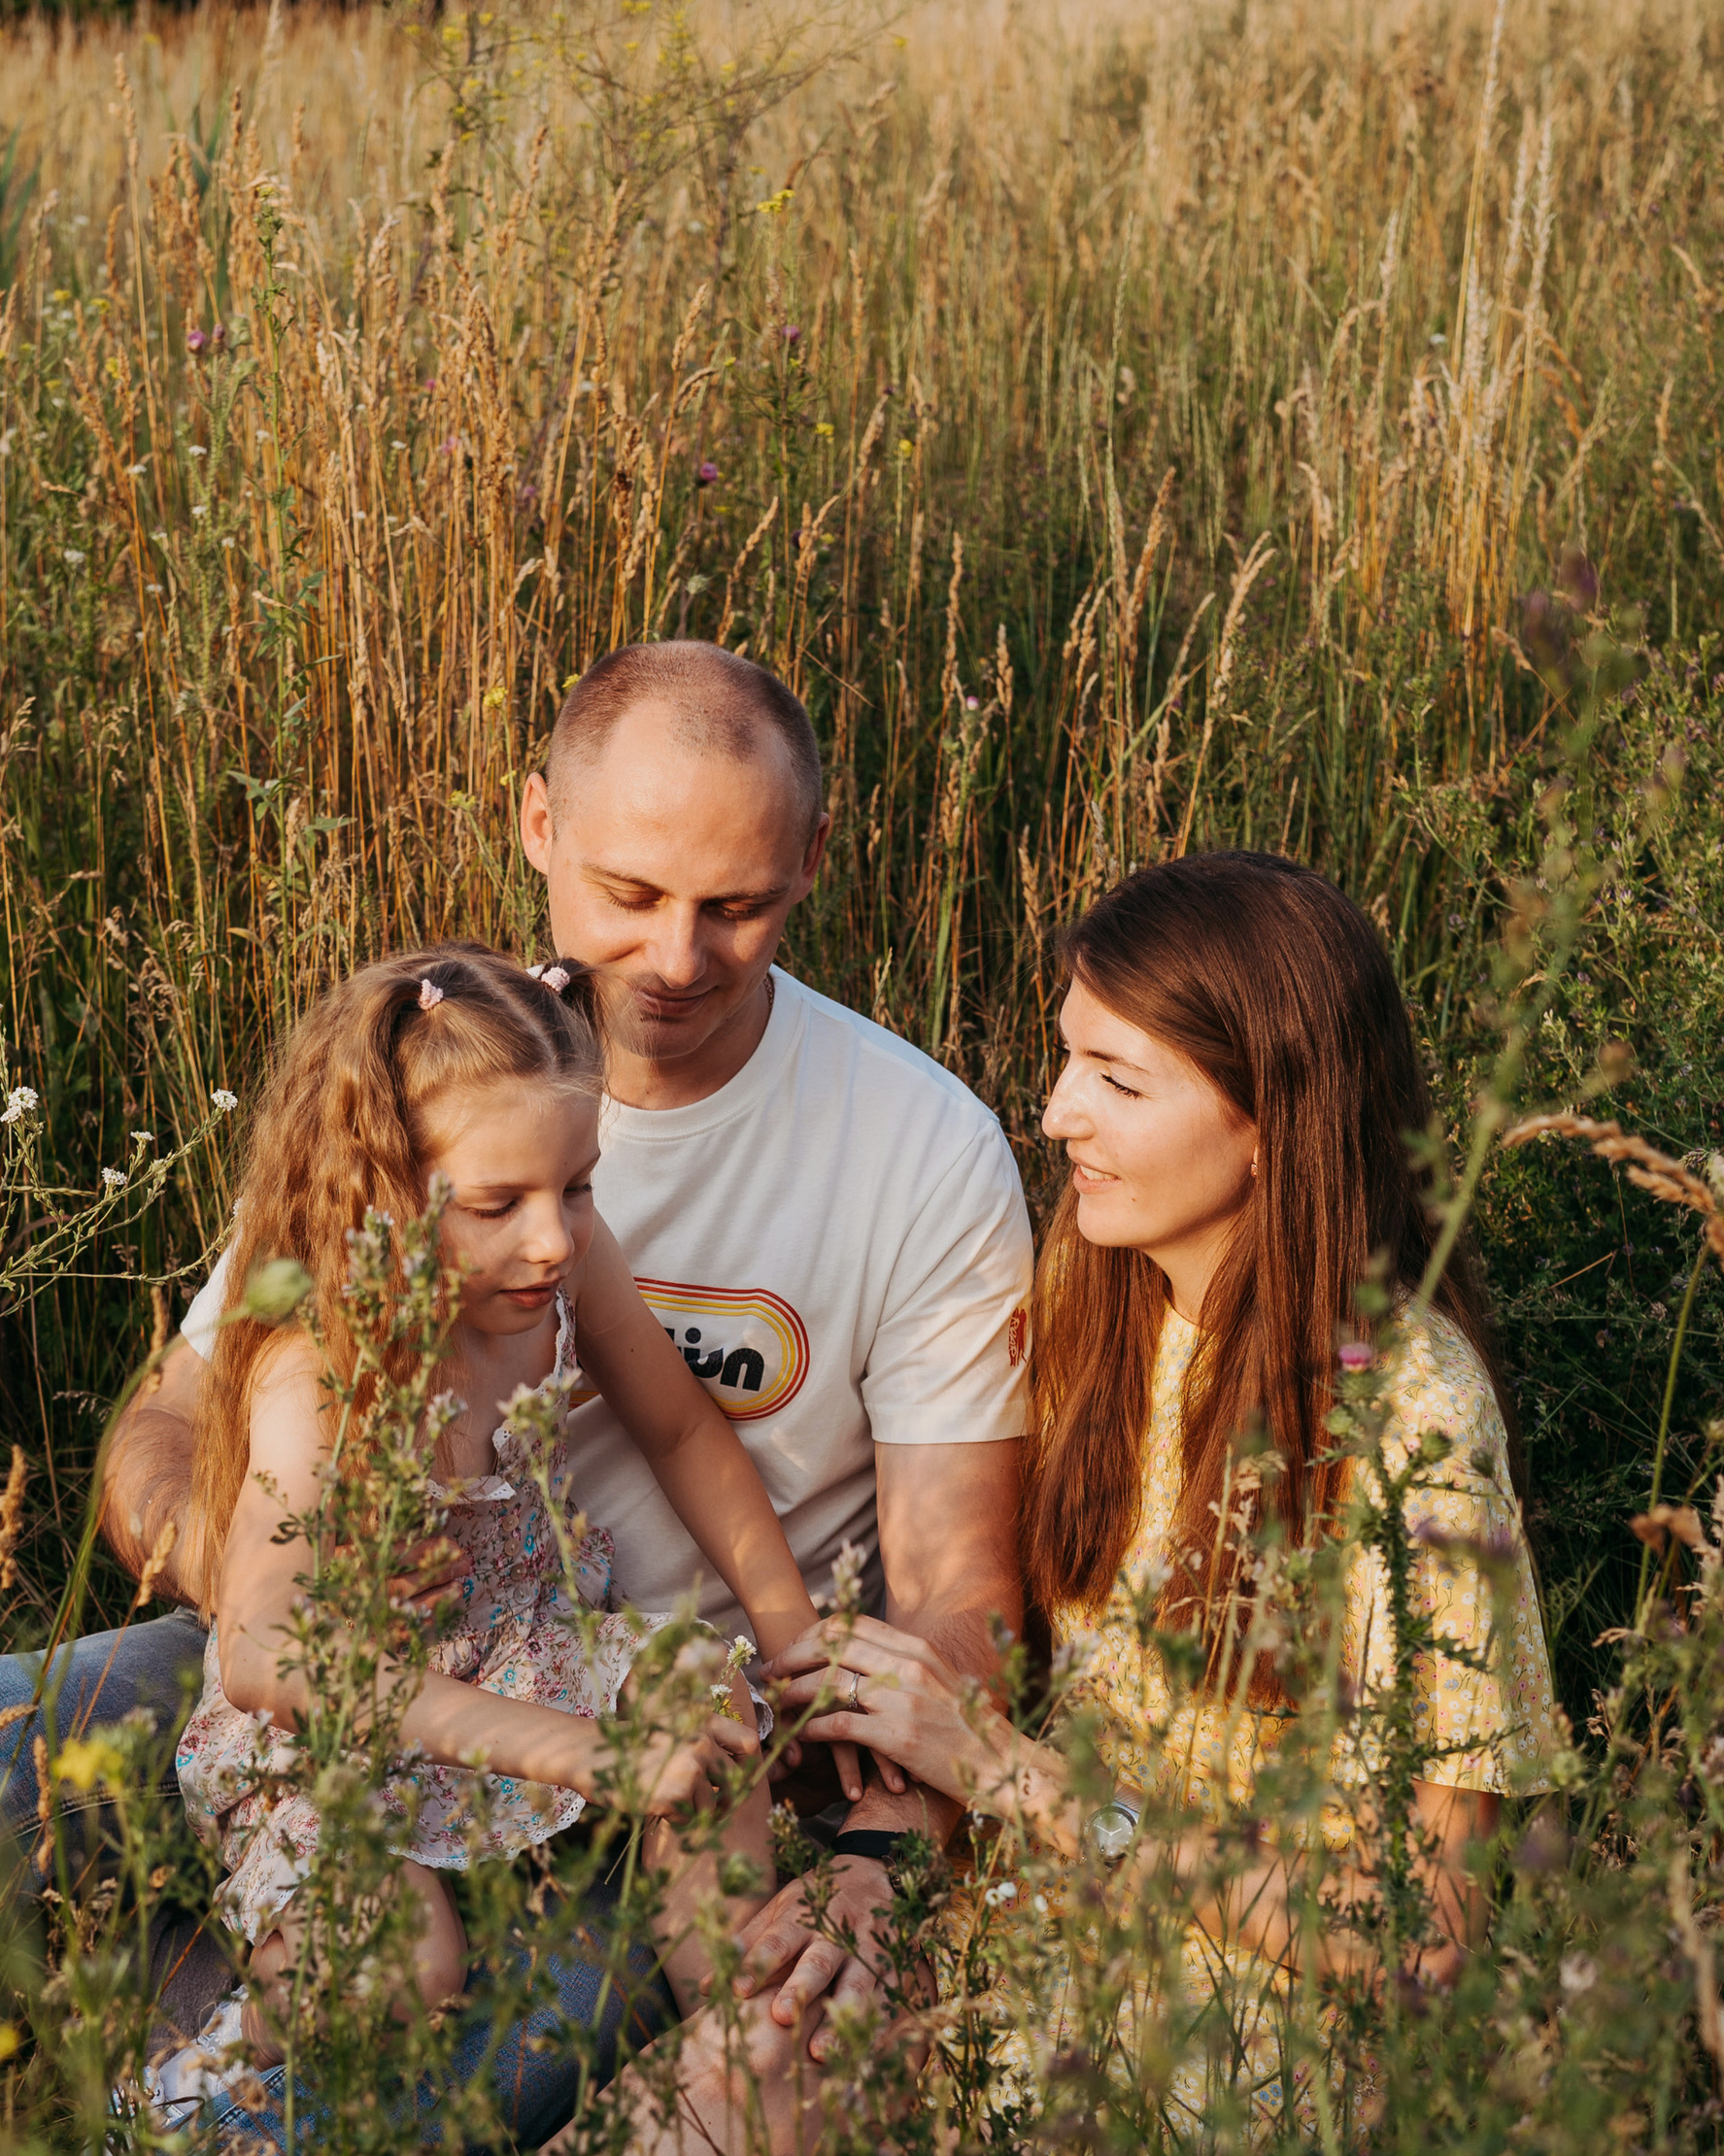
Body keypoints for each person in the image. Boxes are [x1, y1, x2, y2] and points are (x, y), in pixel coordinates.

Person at [86, 638, 1033, 2074]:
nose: (672, 959)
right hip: (345, 1680)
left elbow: (963, 1588)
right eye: (629, 895)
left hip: (624, 1701)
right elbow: (172, 1432)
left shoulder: (920, 1150)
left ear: (815, 859)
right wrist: (253, 1557)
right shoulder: (441, 1084)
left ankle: (224, 2105)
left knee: (453, 2074)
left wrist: (851, 1783)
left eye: (737, 907)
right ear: (539, 825)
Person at [779, 852, 1556, 2100]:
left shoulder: (1408, 1420)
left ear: (1274, 1123)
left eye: (1117, 1082)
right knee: (757, 2066)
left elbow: (1425, 1945)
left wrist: (1010, 1780)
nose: (1052, 1114)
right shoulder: (1112, 1304)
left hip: (1228, 2052)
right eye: (1067, 1057)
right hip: (1021, 1946)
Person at [162, 939, 814, 2076]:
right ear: (374, 1193)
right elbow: (265, 1652)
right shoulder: (318, 1367)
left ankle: (739, 2019)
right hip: (336, 1728)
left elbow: (679, 1430)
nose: (556, 1237)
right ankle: (198, 2094)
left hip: (513, 1650)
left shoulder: (558, 1264)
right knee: (407, 1966)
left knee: (707, 1695)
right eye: (498, 1203)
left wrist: (795, 1646)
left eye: (578, 1184)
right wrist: (579, 1753)